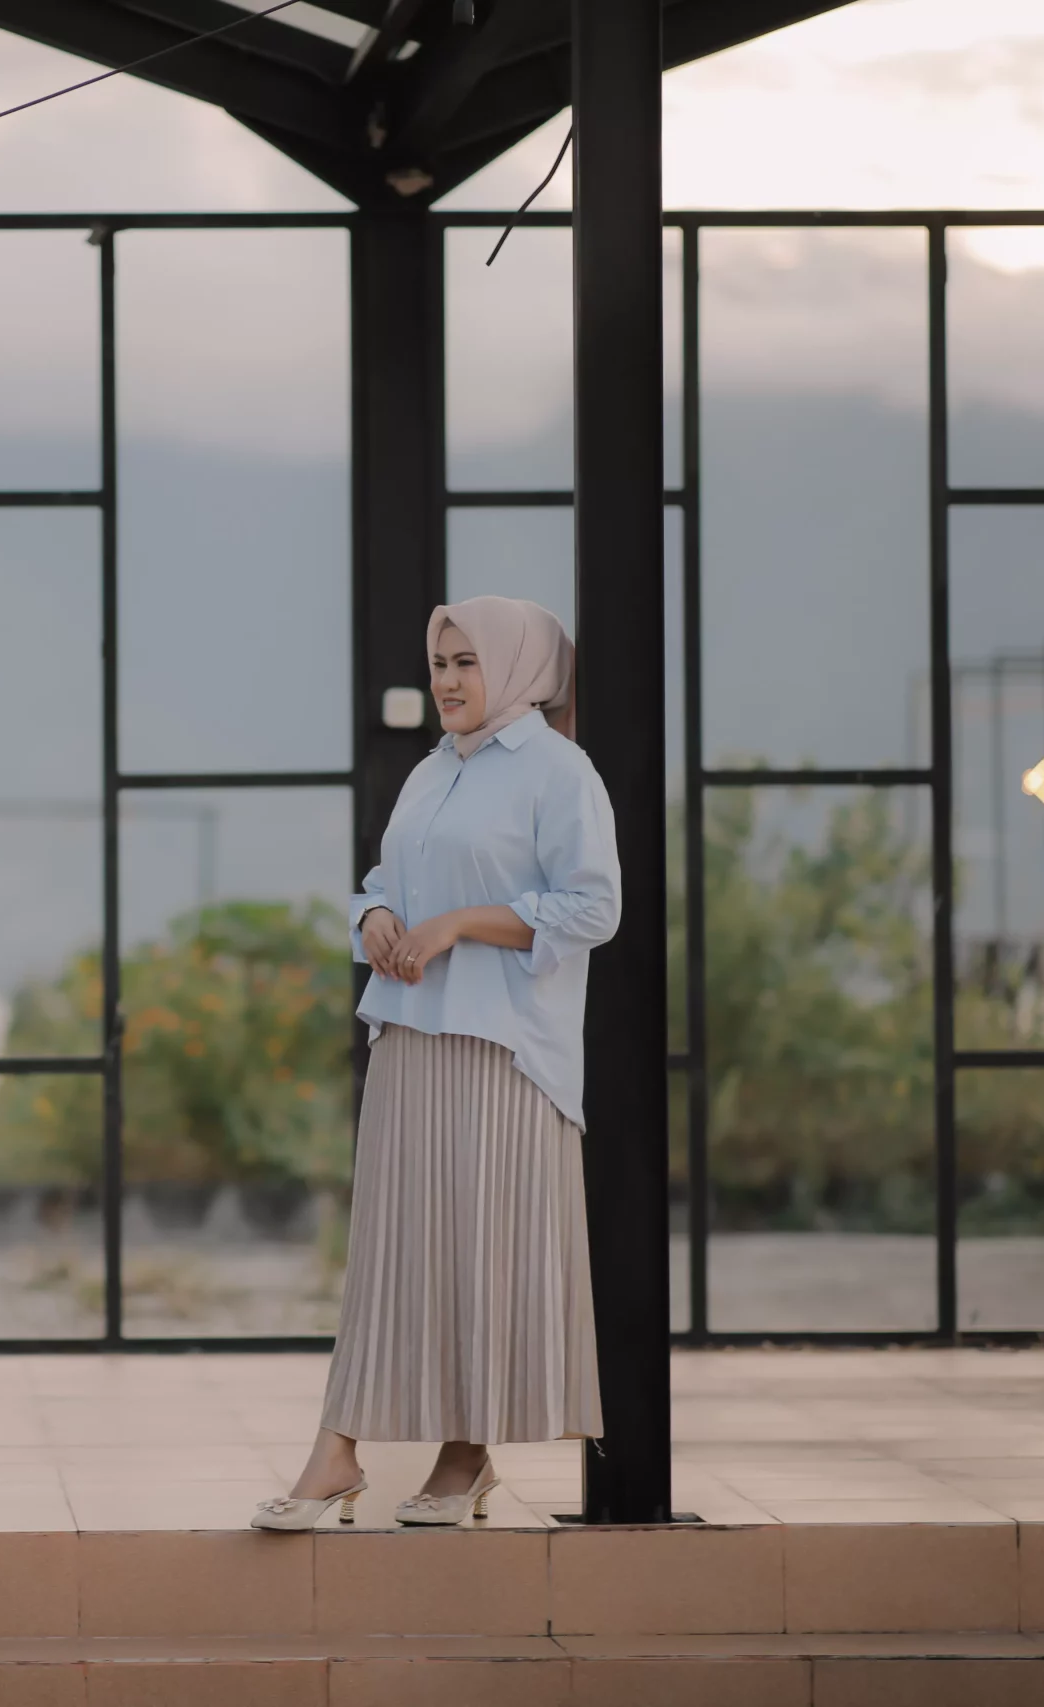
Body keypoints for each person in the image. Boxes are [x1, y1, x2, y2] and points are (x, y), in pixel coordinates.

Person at [254, 597, 616, 1532]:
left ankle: (466, 1452)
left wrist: (460, 924)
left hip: (506, 1052)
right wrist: (373, 916)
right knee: (392, 1257)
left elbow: (593, 906)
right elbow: (387, 885)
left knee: (481, 1257)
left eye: (467, 662)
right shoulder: (431, 771)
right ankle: (338, 1450)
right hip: (411, 1038)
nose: (447, 680)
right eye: (439, 662)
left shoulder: (558, 770)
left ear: (520, 667)